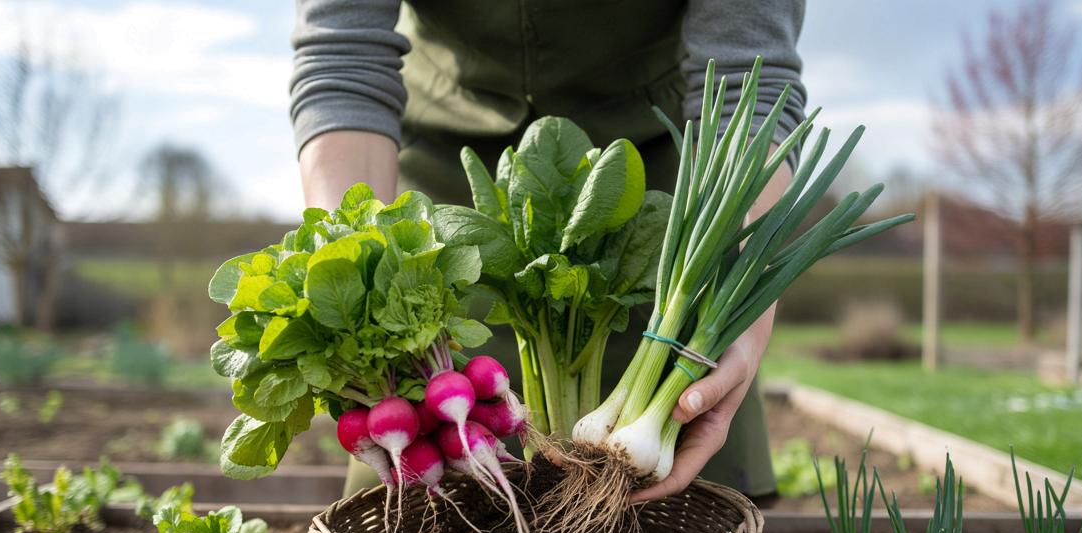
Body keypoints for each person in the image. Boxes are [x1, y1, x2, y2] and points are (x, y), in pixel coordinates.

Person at [290, 0, 807, 502]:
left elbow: (747, 84)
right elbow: (345, 62)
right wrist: (359, 282)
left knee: (685, 498)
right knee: (416, 503)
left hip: (669, 188)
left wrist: (744, 309)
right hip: (431, 183)